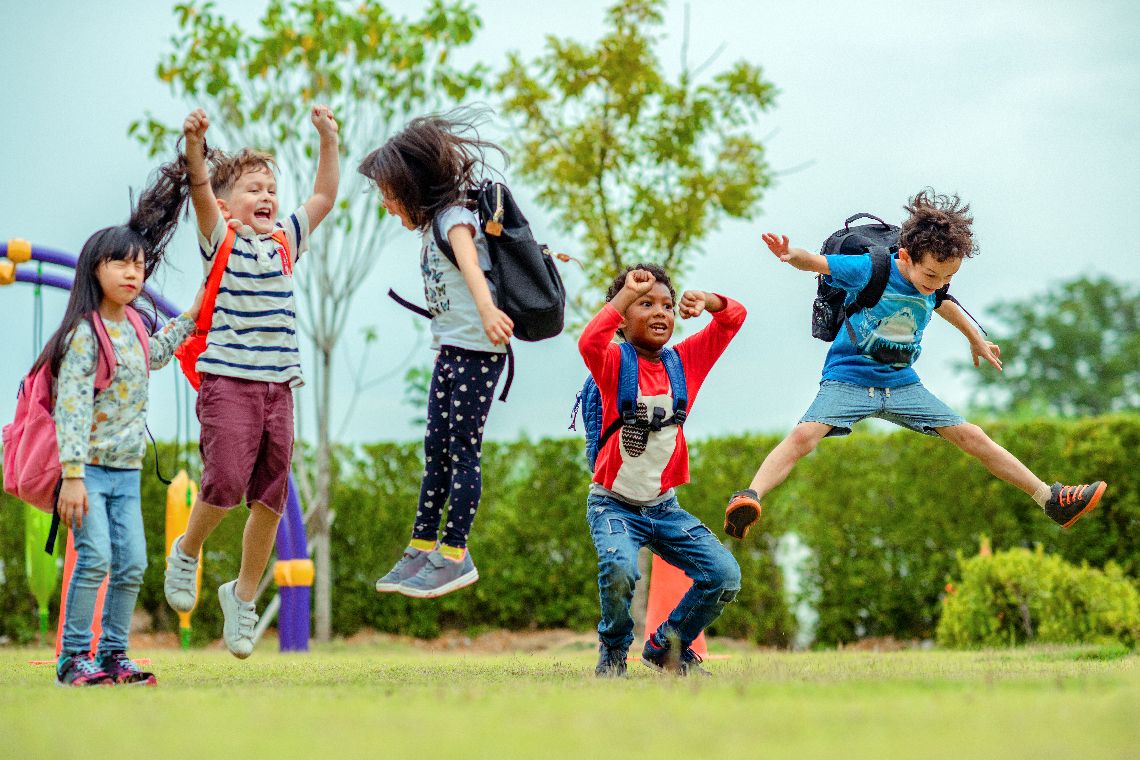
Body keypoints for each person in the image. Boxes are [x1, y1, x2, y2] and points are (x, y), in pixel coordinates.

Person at [724, 190, 1107, 541]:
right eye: (930, 275)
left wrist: (975, 337)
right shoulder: (870, 269)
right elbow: (820, 263)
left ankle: (1051, 499)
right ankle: (749, 496)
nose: (937, 283)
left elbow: (945, 304)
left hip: (903, 384)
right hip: (849, 379)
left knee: (972, 436)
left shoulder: (934, 284)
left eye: (948, 276)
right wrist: (794, 257)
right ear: (906, 256)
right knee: (803, 438)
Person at [163, 105, 340, 658]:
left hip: (279, 387)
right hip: (229, 383)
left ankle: (240, 596)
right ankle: (187, 550)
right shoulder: (221, 237)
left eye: (272, 188)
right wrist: (195, 145)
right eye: (253, 189)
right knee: (223, 481)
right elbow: (197, 186)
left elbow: (325, 196)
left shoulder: (286, 241)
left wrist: (328, 139)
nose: (266, 197)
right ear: (226, 203)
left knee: (270, 494)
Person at [45, 161, 202, 686]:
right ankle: (73, 659)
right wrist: (70, 476)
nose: (132, 274)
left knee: (131, 563)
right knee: (93, 560)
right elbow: (71, 406)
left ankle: (113, 655)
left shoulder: (134, 324)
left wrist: (194, 314)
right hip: (86, 471)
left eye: (138, 266)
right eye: (120, 264)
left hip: (127, 472)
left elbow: (156, 355)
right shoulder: (84, 334)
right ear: (95, 268)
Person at [358, 112, 515, 599]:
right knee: (436, 452)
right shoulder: (431, 226)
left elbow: (468, 258)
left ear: (412, 185)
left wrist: (488, 310)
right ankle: (423, 546)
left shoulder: (453, 217)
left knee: (463, 452)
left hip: (477, 352)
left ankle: (454, 554)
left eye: (388, 194)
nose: (386, 205)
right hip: (451, 351)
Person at [580, 264, 746, 677]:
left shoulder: (685, 362)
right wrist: (621, 298)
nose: (660, 312)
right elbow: (589, 341)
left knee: (724, 575)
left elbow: (734, 318)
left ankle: (666, 647)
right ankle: (614, 651)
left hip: (664, 509)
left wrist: (708, 301)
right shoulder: (614, 363)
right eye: (645, 303)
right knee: (619, 568)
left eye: (667, 305)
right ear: (621, 316)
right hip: (613, 506)